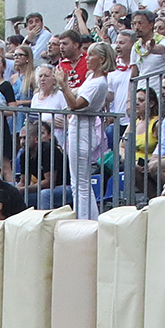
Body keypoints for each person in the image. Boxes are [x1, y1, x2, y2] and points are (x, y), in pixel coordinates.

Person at [58, 42, 113, 219]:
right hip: (79, 128)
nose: (86, 58)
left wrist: (64, 86)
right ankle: (87, 218)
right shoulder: (91, 78)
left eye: (90, 55)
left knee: (80, 182)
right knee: (79, 182)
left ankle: (85, 220)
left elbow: (75, 104)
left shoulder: (98, 82)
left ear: (102, 59)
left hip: (82, 131)